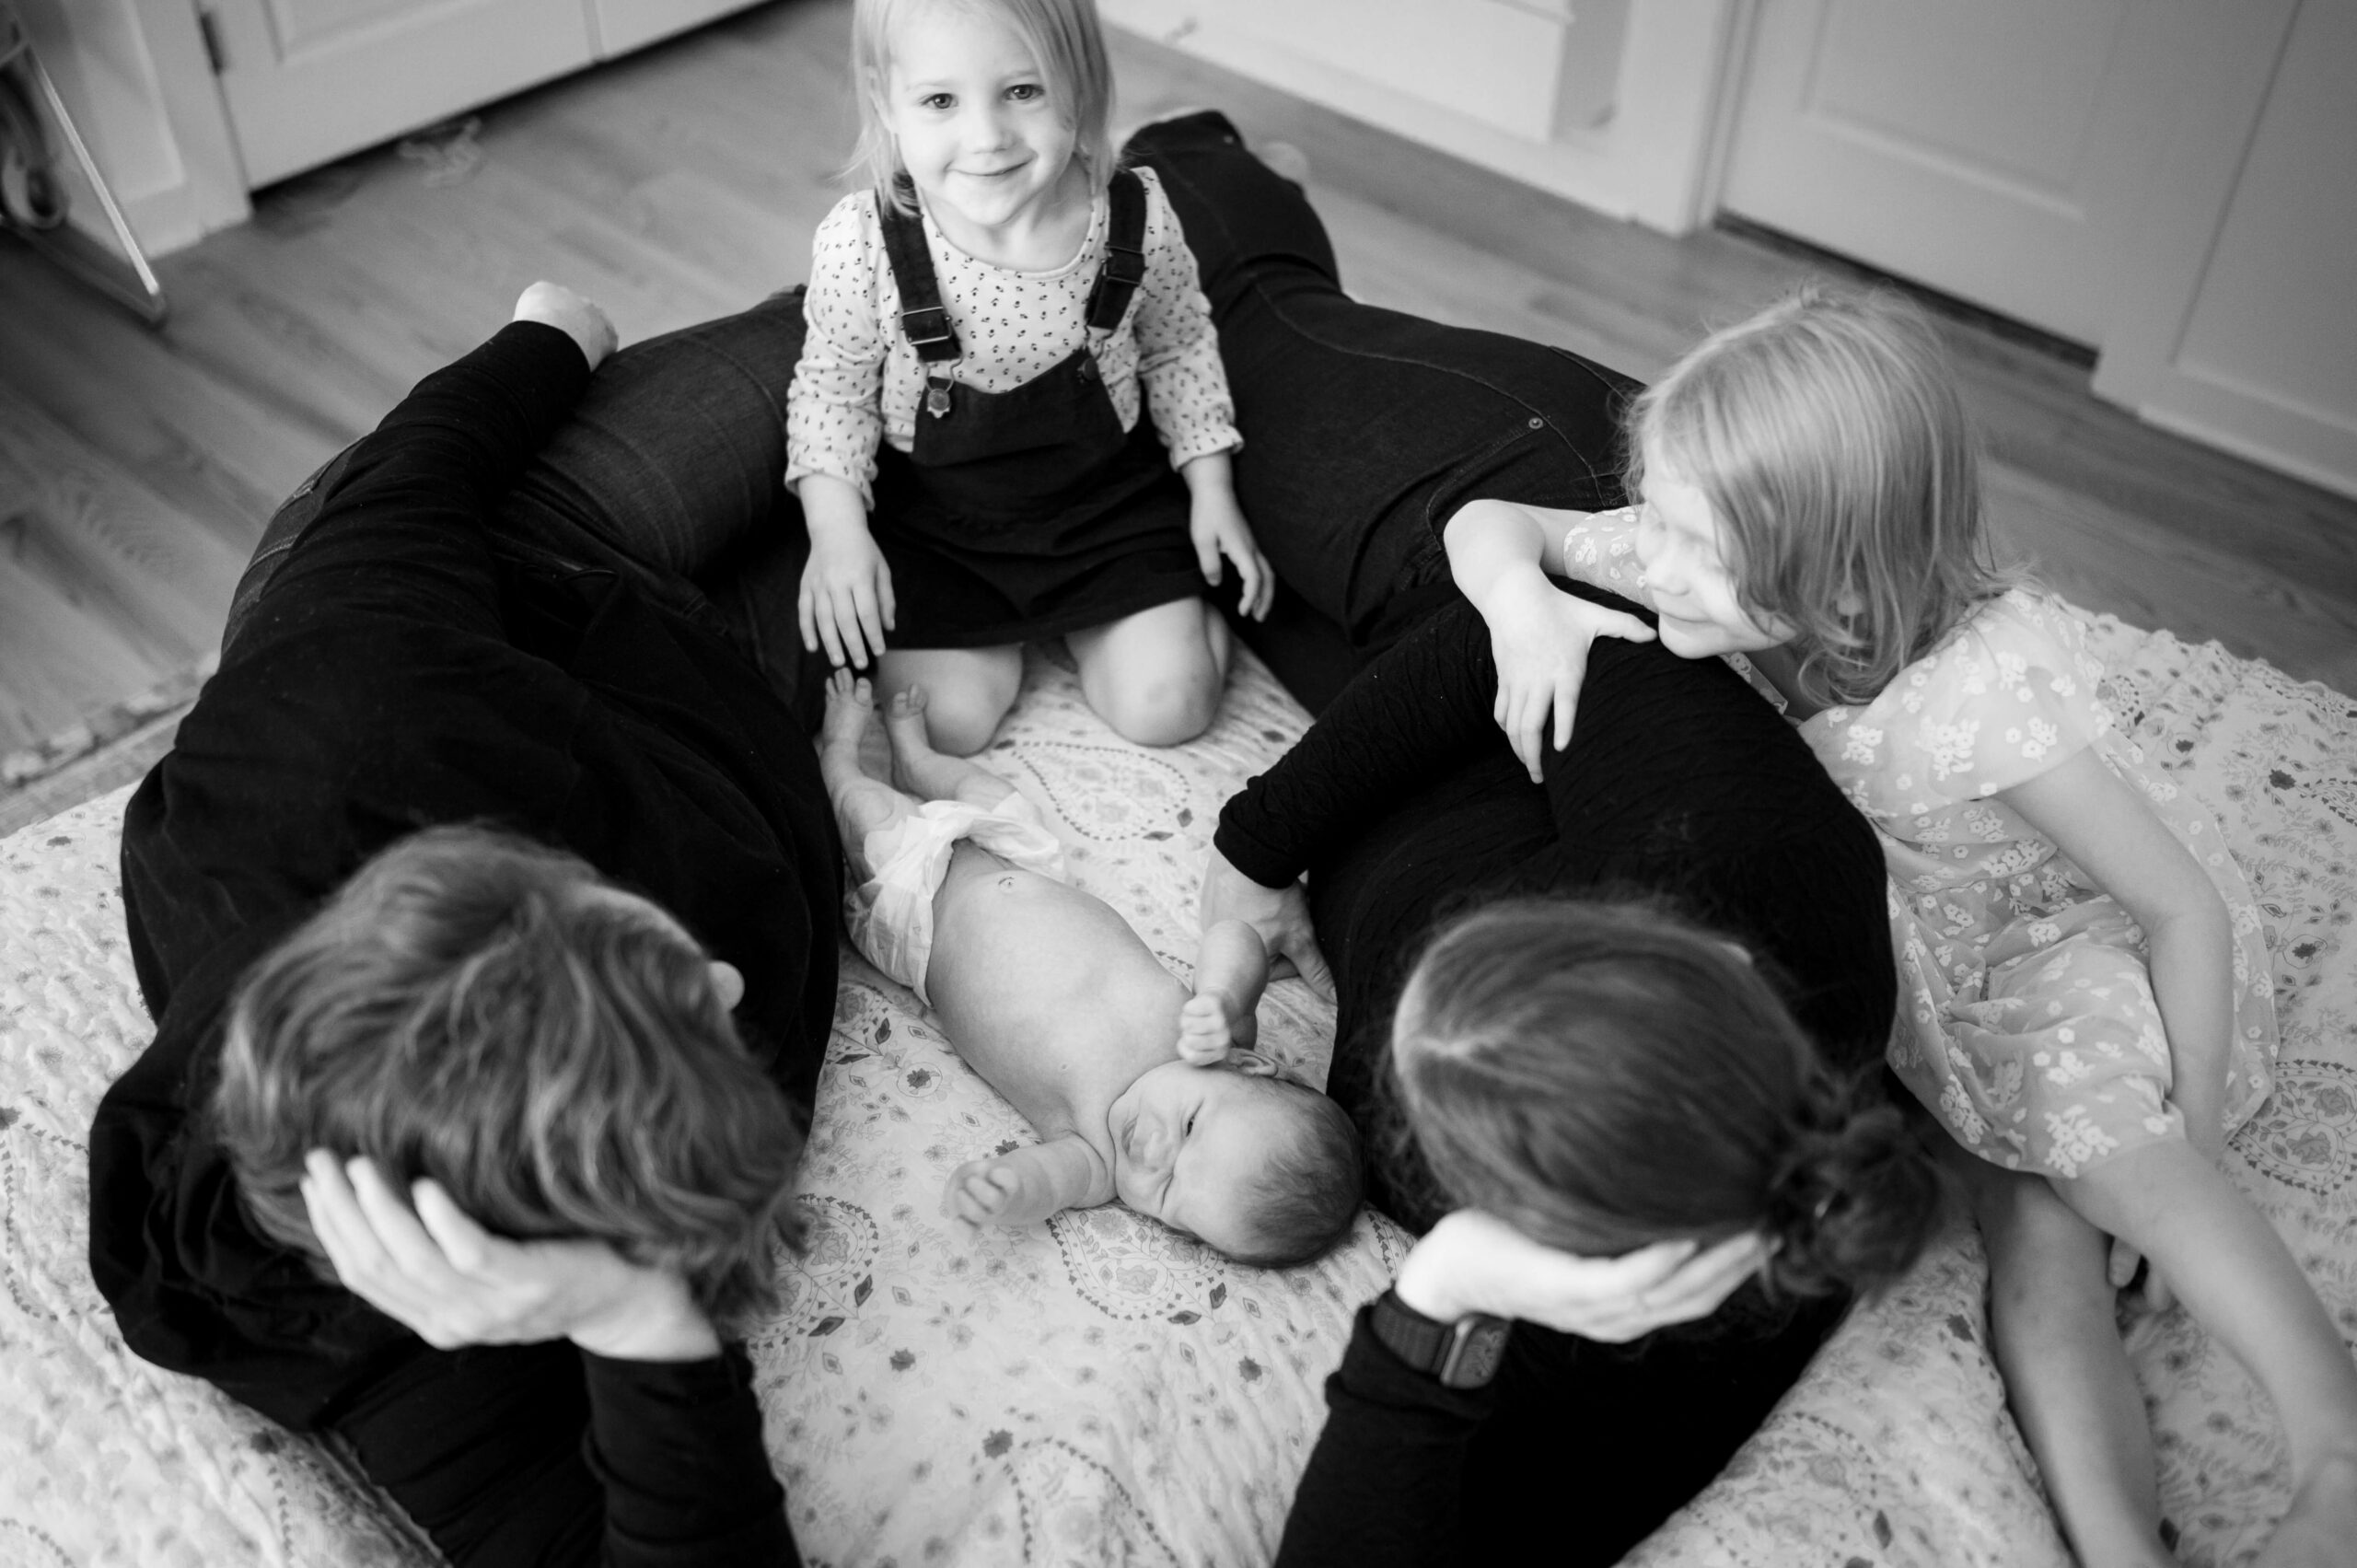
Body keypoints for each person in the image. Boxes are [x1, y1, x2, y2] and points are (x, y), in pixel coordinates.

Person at [1116, 112, 1937, 1564]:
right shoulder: (1751, 852)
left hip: (1404, 731)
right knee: (1250, 323)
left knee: (1162, 477)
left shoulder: (1661, 1324)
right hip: (1497, 520)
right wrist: (1250, 863)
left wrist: (1441, 1294)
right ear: (1619, 924)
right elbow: (1472, 642)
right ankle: (1202, 148)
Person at [1442, 287, 2357, 1567]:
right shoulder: (1709, 565)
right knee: (2031, 1234)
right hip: (1937, 986)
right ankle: (2120, 1546)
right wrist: (1517, 603)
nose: (1657, 559)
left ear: (1841, 586)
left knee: (2103, 1166)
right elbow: (1489, 521)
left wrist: (2181, 1145)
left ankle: (2335, 1444)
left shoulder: (1980, 691)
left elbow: (2176, 905)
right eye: (1663, 517)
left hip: (2064, 943)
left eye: (1695, 543)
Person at [89, 282, 843, 1567]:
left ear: (508, 869)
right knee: (948, 463)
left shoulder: (352, 722)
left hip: (532, 552)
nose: (723, 980)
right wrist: (634, 1315)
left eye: (642, 939)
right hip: (730, 710)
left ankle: (1207, 174)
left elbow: (418, 482)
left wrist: (547, 337)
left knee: (900, 306)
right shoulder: (387, 1317)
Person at [787, 0, 1272, 757]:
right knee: (941, 720)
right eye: (941, 101)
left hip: (1106, 509)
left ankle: (1151, 613)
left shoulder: (1133, 216)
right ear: (887, 101)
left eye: (1023, 91)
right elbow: (831, 392)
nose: (986, 138)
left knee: (1169, 705)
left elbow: (1180, 345)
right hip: (945, 527)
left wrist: (1212, 490)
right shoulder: (864, 244)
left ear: (1079, 85)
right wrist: (837, 530)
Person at [818, 670, 1360, 1265]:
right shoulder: (1210, 1033)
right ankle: (918, 759)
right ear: (1247, 1065)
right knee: (990, 792)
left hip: (920, 912)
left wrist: (1004, 1187)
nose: (1152, 1154)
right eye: (1188, 1126)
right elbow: (1237, 936)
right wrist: (1226, 994)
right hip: (1023, 858)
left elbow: (1046, 1182)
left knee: (867, 814)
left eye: (1172, 1195)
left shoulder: (1097, 1156)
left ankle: (839, 758)